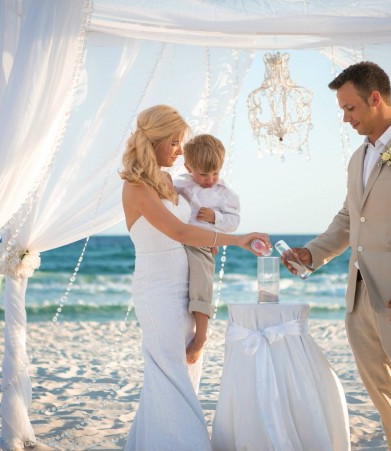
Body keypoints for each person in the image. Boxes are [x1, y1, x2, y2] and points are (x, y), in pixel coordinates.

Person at [281, 62, 391, 450]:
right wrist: (310, 253)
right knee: (384, 395)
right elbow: (349, 218)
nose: (345, 118)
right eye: (343, 110)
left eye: (350, 108)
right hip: (359, 295)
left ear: (375, 98)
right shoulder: (359, 157)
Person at [120, 105, 269, 450]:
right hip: (158, 292)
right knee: (170, 374)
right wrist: (238, 240)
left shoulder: (171, 182)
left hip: (186, 288)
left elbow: (197, 229)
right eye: (173, 142)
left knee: (185, 375)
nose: (178, 150)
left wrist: (214, 236)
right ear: (154, 141)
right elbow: (180, 231)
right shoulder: (135, 188)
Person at [174, 134, 240, 327]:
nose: (210, 179)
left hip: (202, 243)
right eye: (203, 174)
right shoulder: (179, 184)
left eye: (215, 173)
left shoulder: (224, 194)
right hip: (176, 239)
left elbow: (233, 222)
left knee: (201, 281)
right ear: (188, 168)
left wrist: (215, 217)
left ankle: (201, 329)